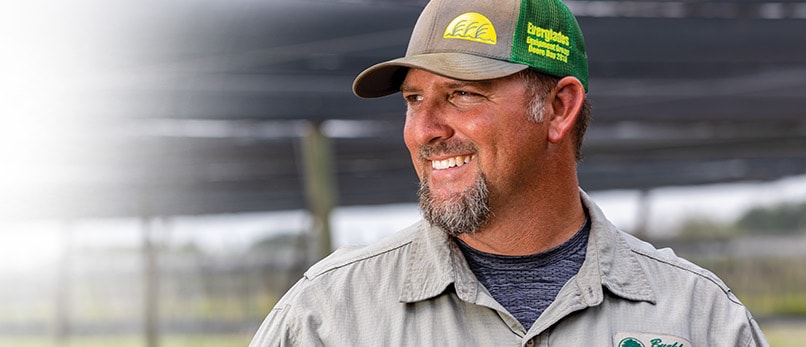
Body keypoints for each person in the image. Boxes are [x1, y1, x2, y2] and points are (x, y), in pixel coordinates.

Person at [249, 0, 769, 345]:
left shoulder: (700, 319)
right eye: (413, 99)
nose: (423, 131)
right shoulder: (329, 316)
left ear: (560, 108)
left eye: (462, 94)